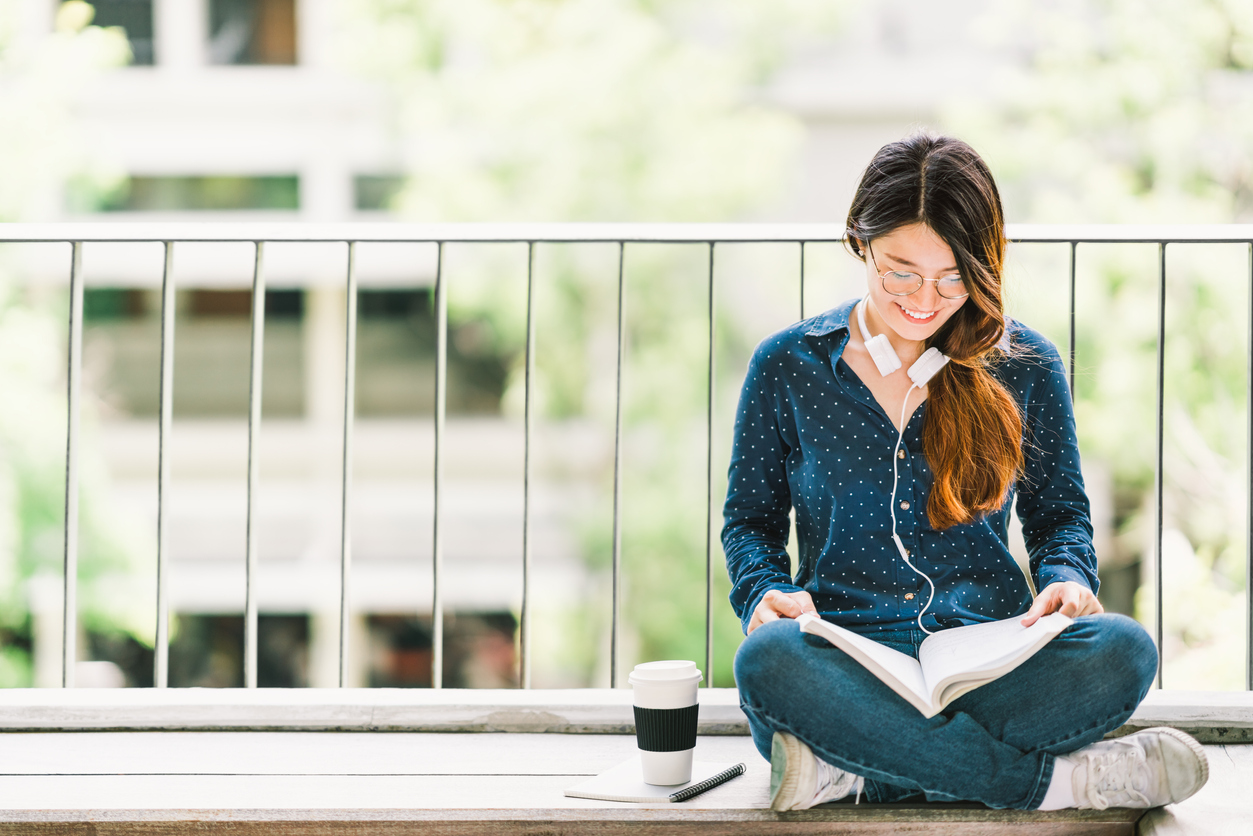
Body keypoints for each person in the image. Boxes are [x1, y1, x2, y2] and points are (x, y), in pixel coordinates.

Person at [722, 133, 1208, 812]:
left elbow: (1058, 516)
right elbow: (749, 523)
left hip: (989, 657)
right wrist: (762, 593)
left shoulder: (1025, 364)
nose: (924, 299)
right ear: (859, 242)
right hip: (845, 664)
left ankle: (854, 770)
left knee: (1123, 652)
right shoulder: (786, 366)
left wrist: (1066, 580)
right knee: (766, 664)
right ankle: (1060, 783)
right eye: (900, 271)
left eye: (953, 277)